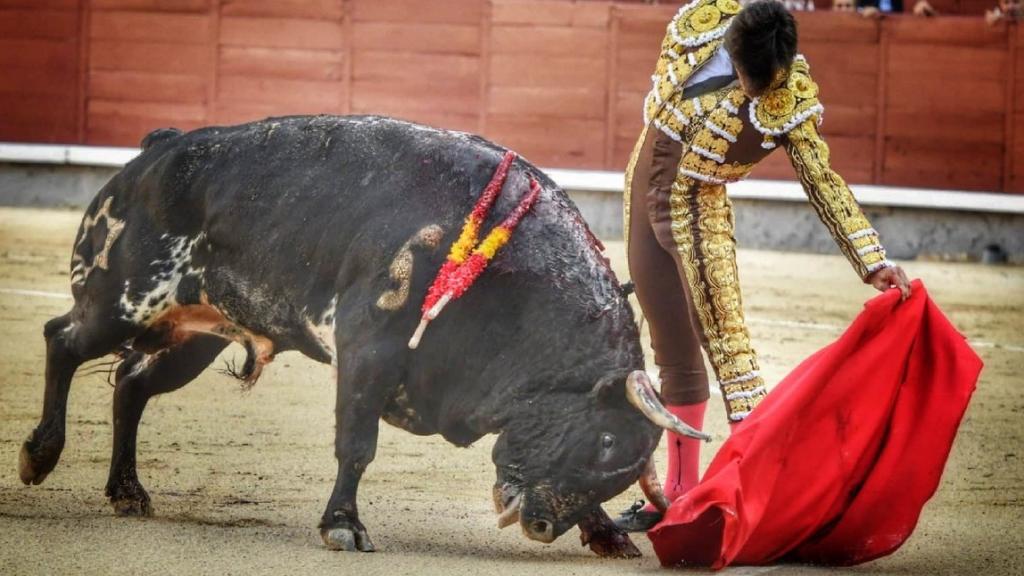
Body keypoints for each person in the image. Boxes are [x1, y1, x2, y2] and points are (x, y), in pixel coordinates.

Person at [616, 0, 911, 531]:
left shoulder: (789, 94)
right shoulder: (703, 22)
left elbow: (821, 178)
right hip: (644, 179)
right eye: (753, 77)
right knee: (672, 350)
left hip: (698, 207)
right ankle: (678, 498)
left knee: (732, 353)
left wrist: (872, 261)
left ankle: (759, 502)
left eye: (766, 80)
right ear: (731, 46)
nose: (757, 90)